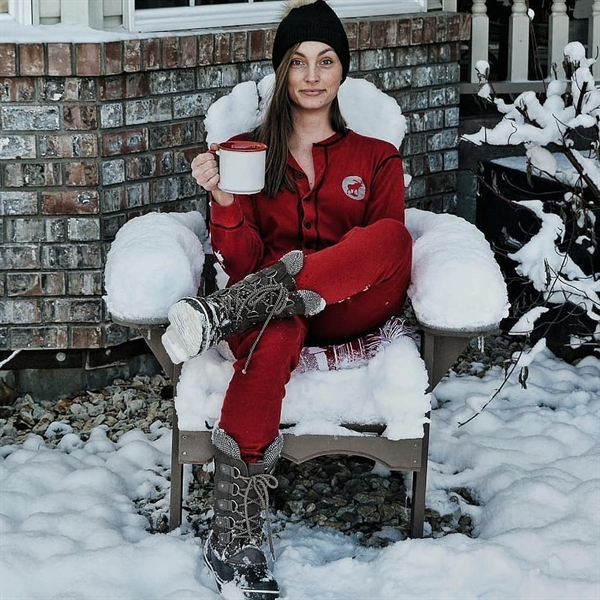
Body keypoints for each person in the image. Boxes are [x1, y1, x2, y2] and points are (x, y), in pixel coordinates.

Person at [164, 1, 412, 598]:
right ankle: (234, 532)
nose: (312, 75)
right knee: (277, 329)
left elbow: (384, 255)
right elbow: (242, 261)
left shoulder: (376, 156)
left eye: (326, 60)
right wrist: (225, 202)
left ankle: (226, 313)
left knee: (391, 237)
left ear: (342, 70)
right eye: (297, 61)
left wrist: (297, 284)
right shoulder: (244, 153)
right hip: (273, 316)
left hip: (352, 311)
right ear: (281, 71)